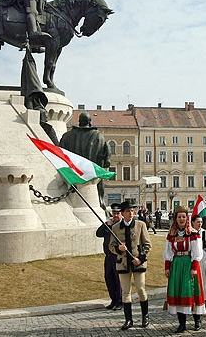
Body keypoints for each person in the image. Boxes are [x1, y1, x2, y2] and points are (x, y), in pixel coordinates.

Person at [109, 202, 152, 330]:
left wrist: (141, 258)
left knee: (140, 288)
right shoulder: (116, 228)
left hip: (138, 263)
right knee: (126, 292)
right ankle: (128, 320)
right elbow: (111, 246)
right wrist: (119, 248)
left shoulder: (140, 225)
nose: (131, 213)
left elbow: (147, 245)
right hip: (123, 264)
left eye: (132, 211)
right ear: (122, 213)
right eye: (128, 211)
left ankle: (145, 316)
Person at [163, 206, 206, 333]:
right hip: (176, 265)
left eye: (183, 217)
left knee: (191, 290)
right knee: (178, 292)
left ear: (187, 218)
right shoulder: (171, 234)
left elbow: (197, 253)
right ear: (175, 219)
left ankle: (197, 320)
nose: (181, 219)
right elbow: (168, 252)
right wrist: (167, 267)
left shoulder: (193, 234)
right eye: (179, 217)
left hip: (189, 264)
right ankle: (182, 324)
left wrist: (194, 268)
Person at [59, 112, 111, 209]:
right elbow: (106, 157)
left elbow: (60, 155)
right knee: (99, 196)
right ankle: (101, 202)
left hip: (72, 177)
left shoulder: (67, 136)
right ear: (89, 122)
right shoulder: (98, 136)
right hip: (92, 177)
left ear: (79, 122)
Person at [95, 203, 123, 311]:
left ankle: (120, 301)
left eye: (118, 213)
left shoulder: (122, 226)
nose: (115, 215)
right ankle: (113, 300)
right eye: (114, 213)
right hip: (108, 256)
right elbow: (98, 233)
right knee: (109, 278)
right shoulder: (109, 225)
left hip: (118, 256)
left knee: (118, 279)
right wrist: (106, 224)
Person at [191, 214, 206, 302]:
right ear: (193, 223)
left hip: (202, 257)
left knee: (202, 277)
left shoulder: (205, 233)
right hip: (191, 257)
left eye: (201, 222)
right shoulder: (189, 233)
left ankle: (203, 296)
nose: (200, 224)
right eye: (198, 222)